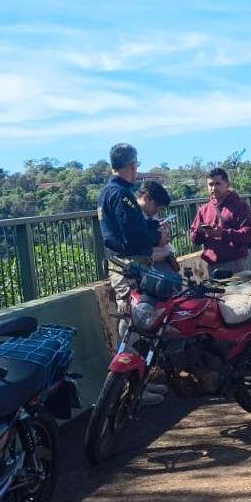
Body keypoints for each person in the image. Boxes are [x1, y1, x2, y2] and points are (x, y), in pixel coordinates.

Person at [97, 143, 164, 405]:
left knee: (137, 324)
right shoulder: (122, 195)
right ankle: (131, 389)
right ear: (132, 165)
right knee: (133, 325)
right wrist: (156, 237)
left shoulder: (107, 193)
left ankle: (138, 385)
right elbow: (133, 236)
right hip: (129, 267)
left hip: (122, 264)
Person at [191, 167, 251, 274]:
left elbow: (250, 234)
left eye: (218, 184)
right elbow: (195, 239)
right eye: (210, 185)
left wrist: (223, 233)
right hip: (212, 267)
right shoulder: (203, 210)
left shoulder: (240, 206)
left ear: (227, 184)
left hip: (235, 264)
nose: (213, 188)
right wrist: (200, 231)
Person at [135, 180, 179, 274]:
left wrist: (164, 235)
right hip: (148, 267)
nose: (158, 210)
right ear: (146, 198)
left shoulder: (150, 214)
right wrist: (158, 238)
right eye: (157, 206)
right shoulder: (133, 216)